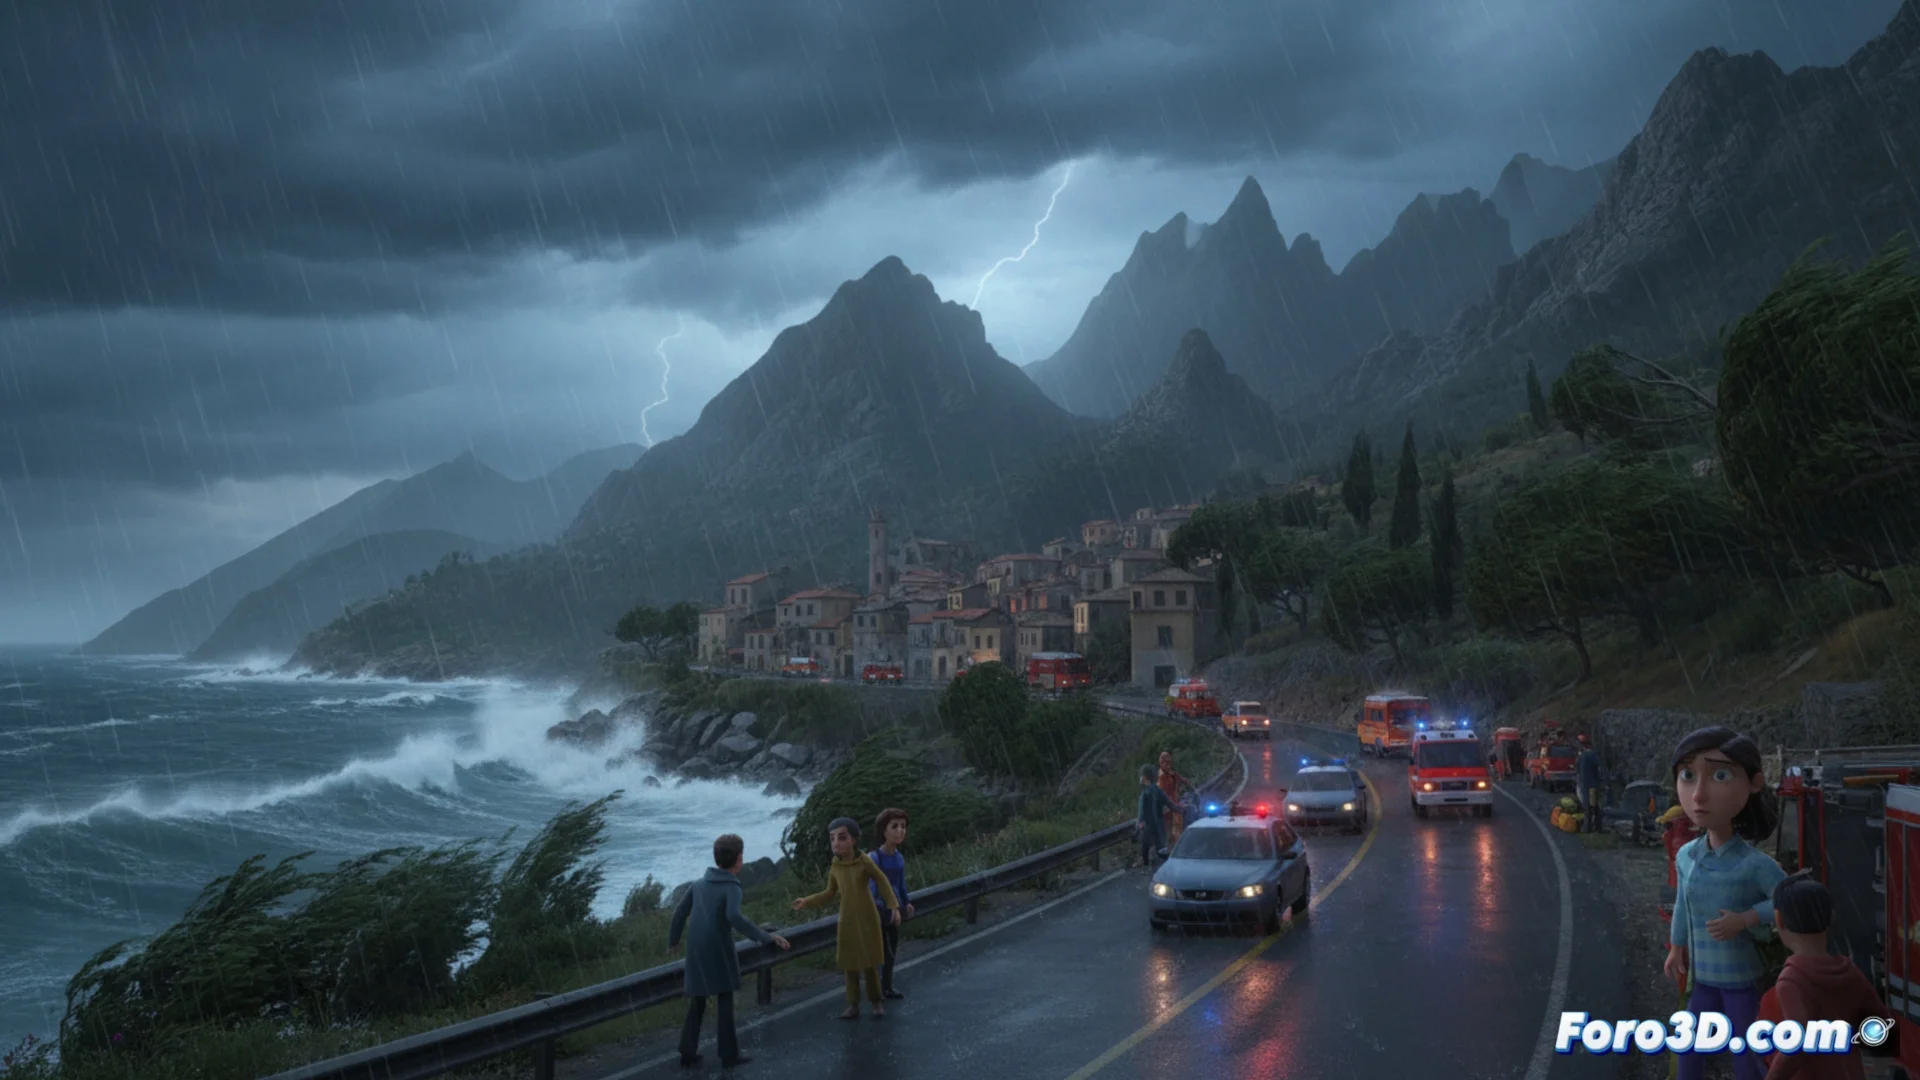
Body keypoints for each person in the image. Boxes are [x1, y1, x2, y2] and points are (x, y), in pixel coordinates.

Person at [1662, 726, 1787, 1080]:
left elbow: (1789, 903)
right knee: (1688, 1047)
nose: (1698, 794)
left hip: (1742, 978)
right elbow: (1682, 906)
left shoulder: (1755, 864)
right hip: (1702, 978)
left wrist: (1747, 918)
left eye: (1719, 776)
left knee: (1746, 1053)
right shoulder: (1687, 855)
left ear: (1754, 783)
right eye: (1688, 776)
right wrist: (1677, 947)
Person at [668, 833, 793, 1069]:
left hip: (695, 950)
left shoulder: (699, 884)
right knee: (724, 1000)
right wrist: (765, 937)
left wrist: (673, 940)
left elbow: (679, 912)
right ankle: (729, 1055)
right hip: (718, 949)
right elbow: (734, 916)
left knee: (698, 1001)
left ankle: (687, 1051)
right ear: (739, 859)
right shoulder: (732, 887)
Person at [1760, 871, 1889, 1079]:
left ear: (1779, 920)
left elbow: (1798, 1044)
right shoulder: (1850, 972)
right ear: (1832, 917)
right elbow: (1880, 1026)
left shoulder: (1792, 980)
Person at [792, 816, 900, 1019]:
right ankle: (853, 1005)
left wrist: (893, 906)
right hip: (847, 920)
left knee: (869, 963)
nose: (836, 843)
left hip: (868, 917)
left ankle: (876, 1002)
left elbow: (882, 881)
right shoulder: (835, 867)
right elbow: (829, 893)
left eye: (841, 838)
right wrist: (807, 901)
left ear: (854, 840)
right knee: (849, 964)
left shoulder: (864, 862)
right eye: (832, 838)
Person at [869, 807, 915, 1000]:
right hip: (878, 910)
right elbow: (872, 888)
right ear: (884, 831)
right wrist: (885, 907)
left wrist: (906, 902)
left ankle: (886, 986)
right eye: (894, 826)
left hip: (894, 910)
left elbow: (900, 884)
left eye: (903, 826)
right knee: (881, 951)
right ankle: (877, 988)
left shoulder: (898, 857)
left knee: (892, 949)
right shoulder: (875, 857)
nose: (900, 831)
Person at [1136, 764, 1181, 868]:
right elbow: (1171, 804)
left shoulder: (1145, 793)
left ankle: (1147, 868)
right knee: (1161, 850)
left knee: (1145, 849)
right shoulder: (1158, 790)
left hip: (1148, 827)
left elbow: (1142, 811)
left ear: (1144, 777)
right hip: (1159, 827)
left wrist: (1140, 823)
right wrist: (1181, 809)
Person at [1157, 750, 1193, 849]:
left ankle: (1178, 846)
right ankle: (1175, 849)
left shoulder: (1171, 773)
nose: (1168, 765)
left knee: (1178, 825)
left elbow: (1181, 779)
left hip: (1175, 803)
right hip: (1168, 806)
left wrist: (1188, 783)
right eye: (1165, 763)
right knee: (1171, 829)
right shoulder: (1161, 777)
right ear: (1161, 763)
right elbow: (1160, 793)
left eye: (1169, 763)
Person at [1575, 736, 1605, 834]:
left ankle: (1588, 828)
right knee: (1594, 806)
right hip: (1593, 786)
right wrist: (1602, 781)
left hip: (1584, 785)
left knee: (1588, 807)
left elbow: (1577, 769)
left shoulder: (1581, 756)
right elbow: (1599, 770)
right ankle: (1597, 827)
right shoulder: (1593, 755)